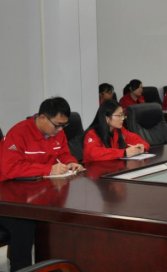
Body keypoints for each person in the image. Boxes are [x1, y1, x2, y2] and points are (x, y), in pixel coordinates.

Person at [0, 97, 84, 271]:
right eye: (57, 125)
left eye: (64, 126)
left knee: (61, 218)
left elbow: (64, 154)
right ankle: (21, 268)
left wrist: (71, 162)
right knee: (24, 223)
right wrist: (48, 169)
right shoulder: (19, 133)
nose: (60, 130)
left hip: (37, 192)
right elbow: (10, 168)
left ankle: (54, 265)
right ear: (43, 117)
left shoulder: (57, 133)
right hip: (8, 200)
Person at [83, 100, 150, 162]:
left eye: (123, 115)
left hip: (113, 167)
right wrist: (124, 152)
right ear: (107, 118)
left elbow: (139, 141)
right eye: (119, 115)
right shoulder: (92, 133)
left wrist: (141, 148)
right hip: (96, 169)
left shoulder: (119, 130)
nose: (122, 118)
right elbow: (92, 153)